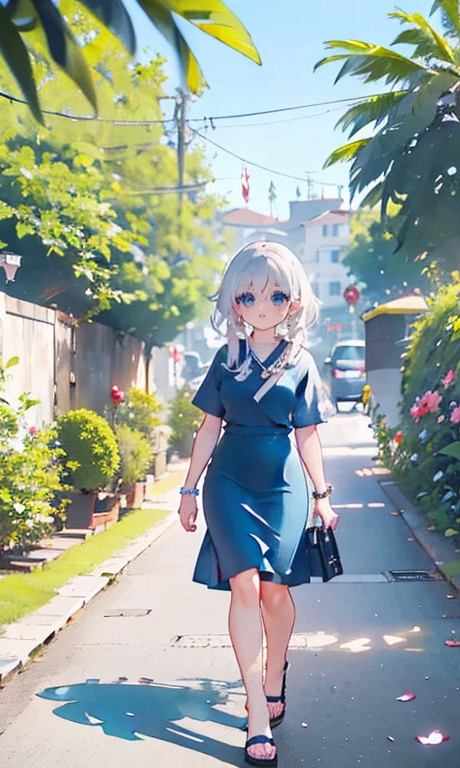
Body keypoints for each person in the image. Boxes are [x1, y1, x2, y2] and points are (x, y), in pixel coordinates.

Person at [177, 240, 339, 766]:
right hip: (227, 482)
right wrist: (187, 490)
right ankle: (255, 709)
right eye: (246, 296)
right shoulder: (226, 361)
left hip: (283, 484)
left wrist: (321, 495)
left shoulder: (302, 362)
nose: (259, 306)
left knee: (275, 591)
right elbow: (208, 428)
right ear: (233, 303)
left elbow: (308, 434)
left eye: (274, 296)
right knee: (243, 586)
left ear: (292, 302)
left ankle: (275, 673)